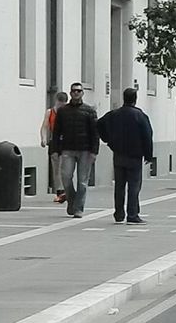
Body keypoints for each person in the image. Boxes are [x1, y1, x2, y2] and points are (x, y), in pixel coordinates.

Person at [97, 88, 153, 224]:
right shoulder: (140, 116)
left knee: (119, 186)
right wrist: (148, 155)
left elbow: (99, 124)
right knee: (134, 186)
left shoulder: (114, 114)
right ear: (135, 98)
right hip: (135, 155)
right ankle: (132, 214)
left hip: (119, 154)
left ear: (124, 98)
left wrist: (108, 140)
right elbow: (147, 135)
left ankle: (119, 213)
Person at [52, 82, 99, 218]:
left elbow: (95, 133)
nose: (76, 93)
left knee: (82, 181)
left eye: (79, 91)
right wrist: (55, 150)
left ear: (82, 93)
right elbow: (56, 132)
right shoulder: (63, 111)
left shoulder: (89, 111)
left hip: (85, 150)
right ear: (71, 93)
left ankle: (78, 208)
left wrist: (94, 151)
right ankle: (71, 201)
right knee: (66, 177)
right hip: (67, 149)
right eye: (74, 91)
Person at [40, 92, 68, 203]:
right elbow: (44, 126)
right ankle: (59, 192)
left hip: (66, 141)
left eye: (63, 104)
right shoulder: (50, 112)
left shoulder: (67, 112)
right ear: (56, 101)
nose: (61, 106)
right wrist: (43, 138)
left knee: (64, 167)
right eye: (59, 104)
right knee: (56, 167)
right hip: (54, 141)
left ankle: (66, 190)